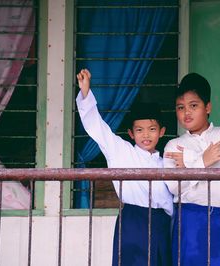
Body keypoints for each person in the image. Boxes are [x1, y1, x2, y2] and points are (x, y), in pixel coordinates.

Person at [76, 69, 173, 266]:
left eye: (152, 129)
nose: (146, 135)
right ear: (131, 133)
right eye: (139, 130)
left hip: (162, 225)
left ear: (162, 132)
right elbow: (98, 128)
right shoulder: (121, 151)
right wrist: (86, 93)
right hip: (132, 222)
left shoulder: (168, 161)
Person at [164, 72, 220, 266]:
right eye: (180, 107)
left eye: (194, 106)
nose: (187, 113)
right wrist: (204, 161)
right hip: (190, 222)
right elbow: (175, 187)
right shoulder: (173, 146)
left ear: (208, 107)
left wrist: (190, 162)